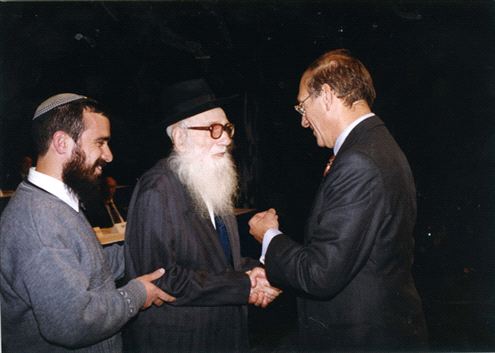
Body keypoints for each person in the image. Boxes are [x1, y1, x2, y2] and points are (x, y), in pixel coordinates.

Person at [249, 50, 428, 351]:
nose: (304, 122)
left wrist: (268, 235)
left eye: (302, 106)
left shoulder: (359, 161)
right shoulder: (377, 146)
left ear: (328, 96)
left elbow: (321, 274)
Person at [1, 93, 175, 352]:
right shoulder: (37, 220)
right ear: (61, 142)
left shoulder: (56, 203)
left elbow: (91, 267)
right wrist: (137, 295)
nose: (109, 155)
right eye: (100, 142)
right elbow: (72, 323)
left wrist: (154, 246)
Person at [123, 78, 281, 352]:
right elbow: (163, 277)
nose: (228, 139)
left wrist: (260, 273)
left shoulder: (208, 180)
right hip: (182, 341)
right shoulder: (157, 189)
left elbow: (217, 262)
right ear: (180, 138)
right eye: (213, 130)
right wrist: (244, 284)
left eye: (227, 128)